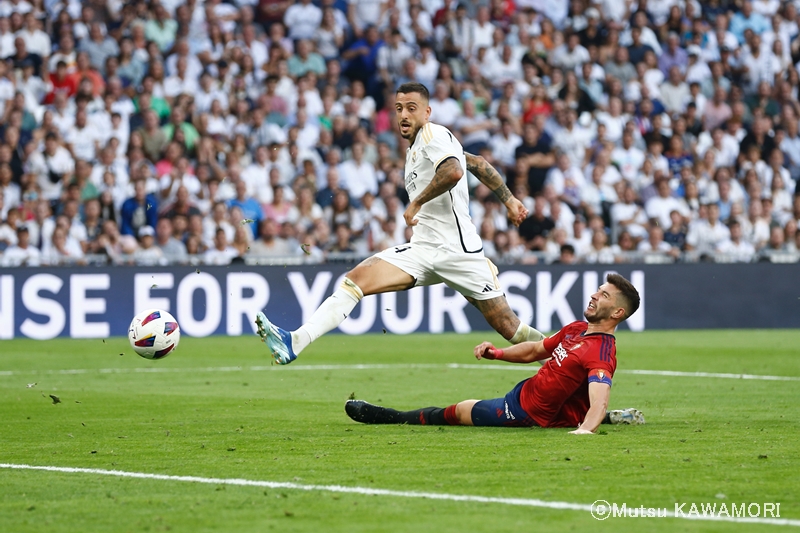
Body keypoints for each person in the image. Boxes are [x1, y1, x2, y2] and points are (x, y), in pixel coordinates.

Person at [256, 82, 542, 364]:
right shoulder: (417, 147)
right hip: (423, 249)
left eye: (411, 108)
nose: (403, 115)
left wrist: (416, 202)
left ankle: (566, 356)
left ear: (427, 112)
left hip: (457, 252)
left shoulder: (434, 133)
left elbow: (455, 171)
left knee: (511, 329)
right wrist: (510, 200)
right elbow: (476, 163)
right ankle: (295, 341)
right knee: (356, 280)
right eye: (398, 109)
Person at [346, 274, 644, 433]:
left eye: (604, 295)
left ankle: (390, 417)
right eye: (597, 290)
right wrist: (498, 353)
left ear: (617, 312)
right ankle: (594, 420)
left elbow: (599, 399)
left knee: (459, 411)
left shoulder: (602, 353)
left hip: (525, 413)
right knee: (569, 408)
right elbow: (535, 350)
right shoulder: (576, 328)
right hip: (533, 398)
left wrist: (587, 430)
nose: (594, 295)